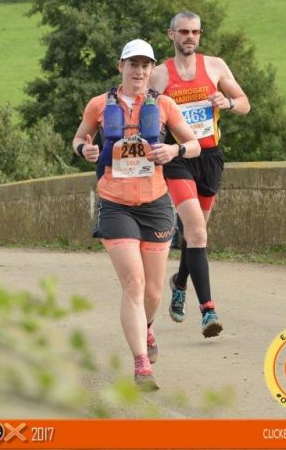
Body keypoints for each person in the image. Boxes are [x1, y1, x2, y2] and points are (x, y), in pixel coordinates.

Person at [73, 39, 200, 390]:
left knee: (155, 292)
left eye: (145, 65)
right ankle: (141, 364)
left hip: (156, 203)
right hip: (115, 203)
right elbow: (79, 138)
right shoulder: (100, 105)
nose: (139, 71)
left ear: (151, 69)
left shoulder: (164, 105)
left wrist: (174, 150)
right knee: (134, 282)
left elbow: (194, 144)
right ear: (121, 67)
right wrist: (85, 148)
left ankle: (146, 325)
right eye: (133, 64)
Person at [150, 11, 250, 338]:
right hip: (178, 158)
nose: (189, 37)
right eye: (183, 31)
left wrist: (228, 103)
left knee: (198, 234)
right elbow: (143, 115)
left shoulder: (216, 66)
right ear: (171, 35)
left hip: (210, 157)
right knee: (195, 230)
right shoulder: (160, 75)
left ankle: (179, 282)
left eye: (194, 32)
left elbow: (244, 102)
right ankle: (208, 311)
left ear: (200, 35)